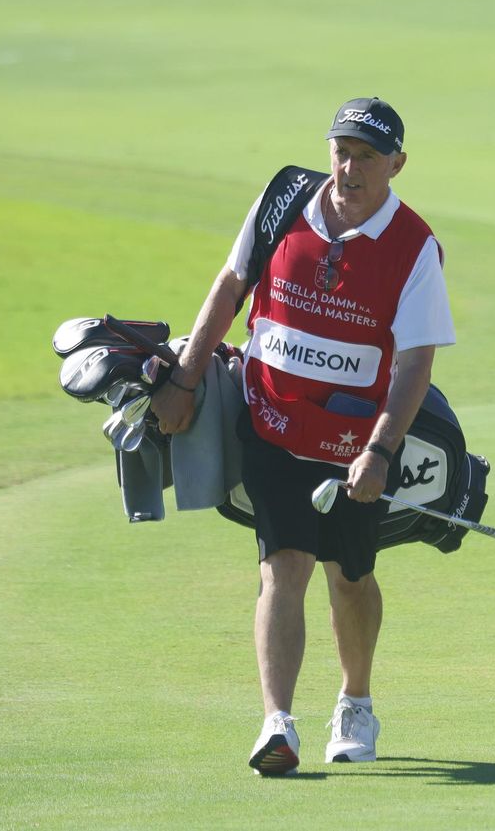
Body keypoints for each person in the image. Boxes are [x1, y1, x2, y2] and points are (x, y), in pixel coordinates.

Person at [153, 97, 455, 777]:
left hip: (355, 450)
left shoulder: (414, 246)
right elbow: (232, 283)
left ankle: (355, 701)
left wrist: (380, 449)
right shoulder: (284, 198)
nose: (349, 168)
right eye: (341, 152)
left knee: (350, 576)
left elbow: (415, 362)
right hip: (272, 426)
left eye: (367, 157)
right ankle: (278, 724)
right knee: (282, 566)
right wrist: (185, 376)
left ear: (397, 164)